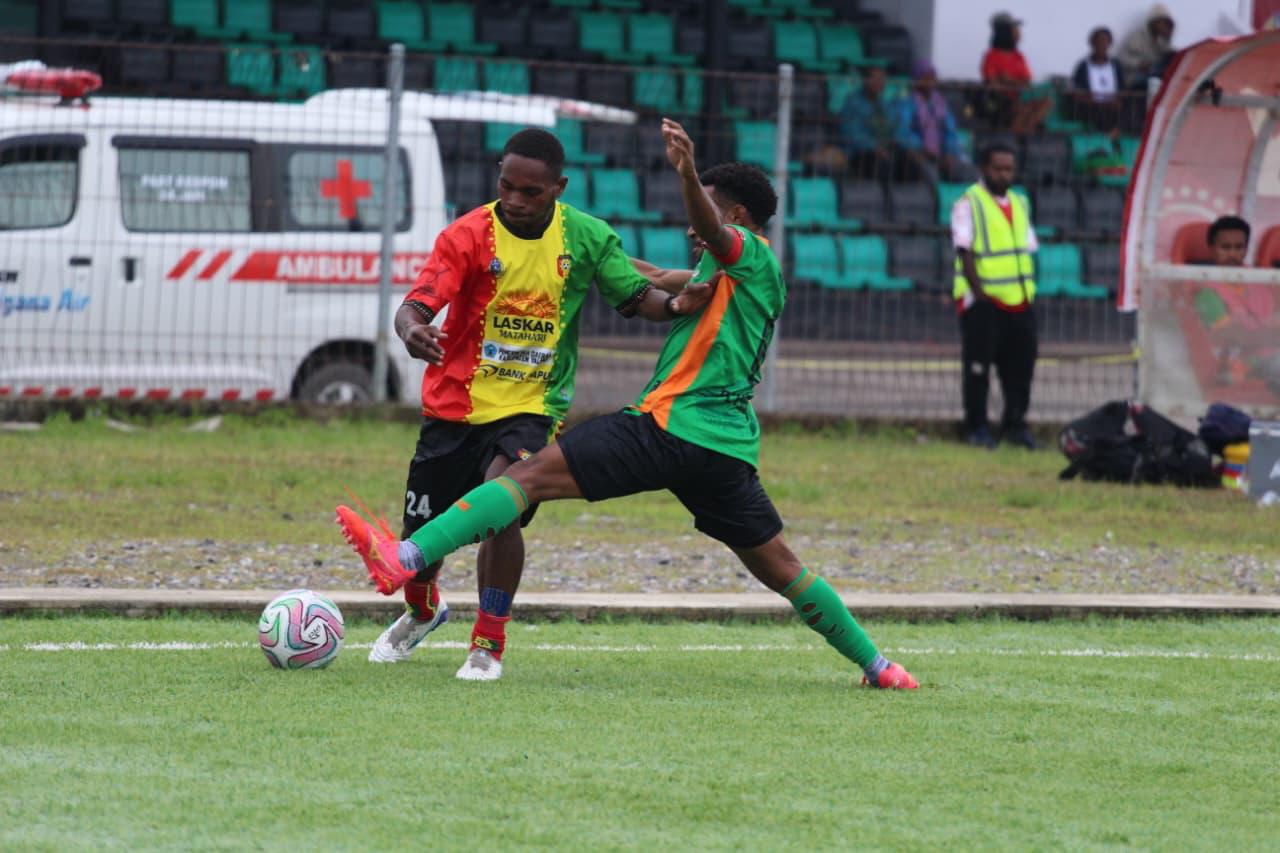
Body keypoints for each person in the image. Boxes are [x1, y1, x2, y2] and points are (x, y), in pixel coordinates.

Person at [337, 118, 919, 691]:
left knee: (527, 477)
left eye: (708, 214)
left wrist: (689, 173)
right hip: (726, 448)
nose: (694, 231)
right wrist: (592, 255)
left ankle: (407, 557)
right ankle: (880, 667)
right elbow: (639, 275)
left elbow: (713, 234)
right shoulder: (718, 273)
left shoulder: (750, 255)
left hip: (669, 427)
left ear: (735, 216)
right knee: (782, 567)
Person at [360, 127, 712, 668]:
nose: (516, 201)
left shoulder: (587, 237)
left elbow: (637, 294)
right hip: (454, 408)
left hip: (532, 407)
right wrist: (410, 330)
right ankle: (423, 609)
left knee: (503, 502)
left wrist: (675, 307)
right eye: (507, 186)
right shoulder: (466, 235)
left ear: (559, 187)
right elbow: (418, 303)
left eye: (532, 192)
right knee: (423, 541)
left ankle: (487, 645)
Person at [951, 141, 1040, 449]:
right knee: (978, 368)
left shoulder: (1020, 202)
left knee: (1020, 370)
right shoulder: (968, 203)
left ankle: (1015, 426)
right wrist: (980, 295)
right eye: (998, 168)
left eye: (1009, 168)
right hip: (984, 302)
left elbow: (1026, 248)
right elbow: (965, 252)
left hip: (1020, 300)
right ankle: (977, 428)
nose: (1004, 174)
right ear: (984, 168)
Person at [1193, 216, 1278, 389]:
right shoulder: (1204, 291)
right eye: (1225, 247)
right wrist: (1274, 336)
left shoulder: (1261, 280)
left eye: (1239, 248)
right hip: (1234, 367)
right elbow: (1236, 337)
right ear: (1212, 249)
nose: (1232, 254)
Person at [896, 59, 975, 184]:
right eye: (925, 78)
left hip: (943, 155)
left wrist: (949, 152)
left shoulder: (940, 102)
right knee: (931, 174)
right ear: (916, 79)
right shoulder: (906, 102)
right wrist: (924, 150)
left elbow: (950, 130)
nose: (929, 82)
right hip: (919, 154)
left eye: (932, 78)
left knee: (970, 174)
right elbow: (902, 131)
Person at [980, 11, 1052, 137]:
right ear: (1005, 32)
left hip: (1019, 98)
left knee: (1046, 102)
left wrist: (1010, 80)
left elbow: (1027, 81)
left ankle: (1026, 132)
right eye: (1015, 29)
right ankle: (1015, 137)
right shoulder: (991, 55)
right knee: (1021, 108)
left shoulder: (1018, 56)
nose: (1019, 32)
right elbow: (992, 82)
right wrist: (1013, 83)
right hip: (998, 102)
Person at [838, 65, 914, 182]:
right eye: (875, 78)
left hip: (886, 150)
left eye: (882, 79)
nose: (879, 82)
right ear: (865, 80)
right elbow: (852, 133)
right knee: (882, 165)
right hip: (862, 152)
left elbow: (896, 127)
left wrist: (901, 144)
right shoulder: (853, 103)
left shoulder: (886, 105)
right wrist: (874, 147)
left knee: (910, 163)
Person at [1071, 27, 1125, 132]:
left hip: (1113, 106)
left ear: (1110, 43)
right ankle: (1111, 135)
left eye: (1105, 41)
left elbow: (1122, 88)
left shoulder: (1115, 64)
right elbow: (1077, 91)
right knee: (1100, 112)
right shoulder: (1083, 66)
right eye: (1098, 41)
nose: (1102, 44)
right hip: (1092, 107)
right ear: (1092, 43)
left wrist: (1118, 100)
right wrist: (1097, 101)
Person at [1118, 5, 1175, 88]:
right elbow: (1123, 58)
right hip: (1135, 77)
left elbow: (1165, 61)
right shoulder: (1137, 37)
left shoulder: (1162, 41)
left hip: (1153, 77)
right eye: (1160, 22)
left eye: (1165, 23)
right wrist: (1140, 65)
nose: (1162, 25)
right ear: (1152, 22)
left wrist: (1168, 39)